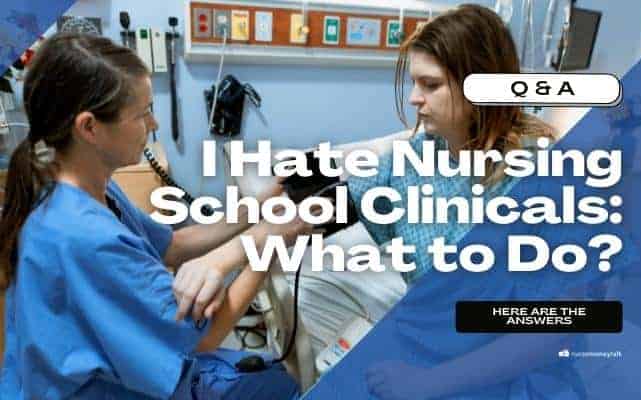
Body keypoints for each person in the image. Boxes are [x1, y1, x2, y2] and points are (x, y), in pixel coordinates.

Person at [0, 33, 312, 399]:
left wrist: (257, 207)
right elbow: (205, 335)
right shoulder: (83, 235)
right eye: (143, 112)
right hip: (90, 391)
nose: (154, 124)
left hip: (53, 379)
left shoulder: (77, 184)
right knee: (281, 386)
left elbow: (174, 245)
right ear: (89, 128)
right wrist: (267, 241)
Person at [347, 4, 556, 286]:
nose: (414, 98)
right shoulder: (411, 159)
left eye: (431, 85)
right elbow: (324, 206)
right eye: (414, 83)